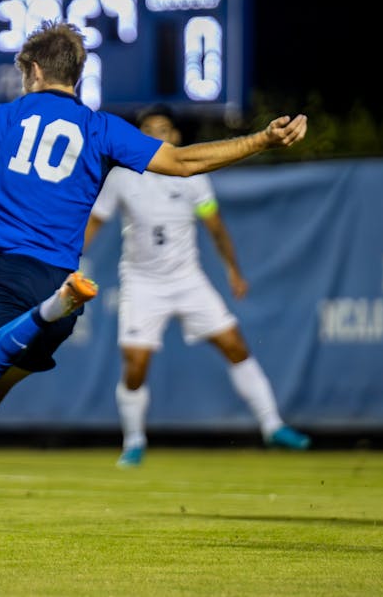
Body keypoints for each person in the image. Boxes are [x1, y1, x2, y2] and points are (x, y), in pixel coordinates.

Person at [0, 19, 308, 508]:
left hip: (14, 276)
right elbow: (183, 162)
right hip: (60, 280)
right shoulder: (102, 128)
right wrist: (261, 139)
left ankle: (50, 309)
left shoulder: (11, 115)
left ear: (33, 70)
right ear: (78, 76)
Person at [82, 103, 310, 467]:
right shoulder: (122, 177)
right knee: (136, 363)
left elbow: (214, 225)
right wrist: (69, 262)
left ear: (175, 136)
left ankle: (272, 425)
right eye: (149, 129)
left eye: (164, 129)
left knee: (234, 345)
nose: (157, 134)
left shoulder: (192, 174)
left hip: (187, 279)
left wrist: (233, 270)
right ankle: (134, 440)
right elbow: (94, 223)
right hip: (142, 282)